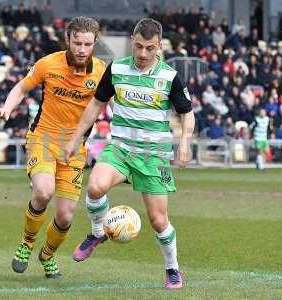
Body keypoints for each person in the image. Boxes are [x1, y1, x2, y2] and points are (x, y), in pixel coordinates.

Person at [64, 18, 195, 290]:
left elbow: (187, 112)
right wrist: (75, 138)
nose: (143, 54)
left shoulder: (169, 76)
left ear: (159, 46)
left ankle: (172, 267)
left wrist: (184, 143)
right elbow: (96, 104)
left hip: (153, 154)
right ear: (132, 42)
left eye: (150, 48)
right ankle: (98, 232)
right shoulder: (117, 69)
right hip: (121, 148)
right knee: (95, 187)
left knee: (159, 221)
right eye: (138, 46)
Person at [0, 17, 105, 279]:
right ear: (67, 40)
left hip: (75, 149)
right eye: (77, 43)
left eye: (87, 44)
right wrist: (7, 108)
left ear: (95, 42)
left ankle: (47, 255)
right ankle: (27, 243)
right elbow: (21, 87)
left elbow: (113, 103)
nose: (82, 49)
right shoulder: (48, 64)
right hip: (43, 139)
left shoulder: (101, 72)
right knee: (43, 191)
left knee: (65, 216)